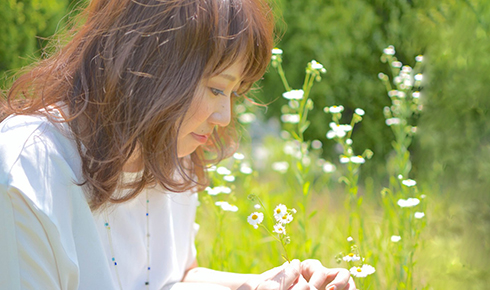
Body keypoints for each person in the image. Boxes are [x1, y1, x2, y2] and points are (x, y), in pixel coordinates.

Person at [0, 0, 356, 289]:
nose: (224, 117)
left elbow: (174, 278)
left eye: (234, 93)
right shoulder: (27, 172)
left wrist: (264, 284)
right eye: (217, 88)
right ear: (150, 66)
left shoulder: (169, 152)